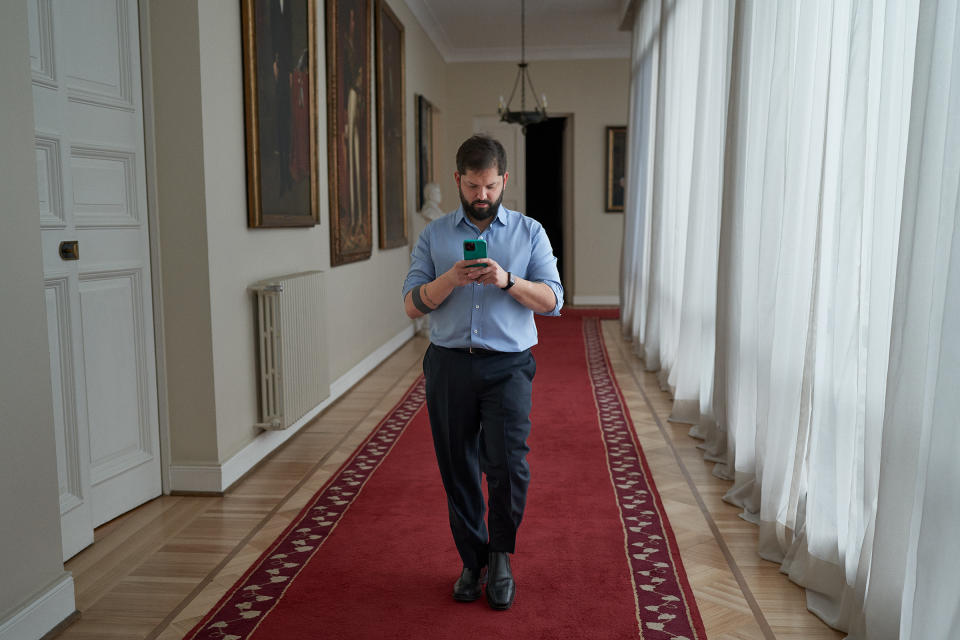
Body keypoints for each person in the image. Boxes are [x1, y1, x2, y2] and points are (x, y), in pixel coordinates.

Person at [401, 134, 564, 611]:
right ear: (458, 180)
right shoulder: (434, 236)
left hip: (508, 365)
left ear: (504, 181)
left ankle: (500, 556)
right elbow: (411, 306)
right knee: (458, 467)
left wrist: (507, 280)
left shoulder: (530, 232)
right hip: (449, 364)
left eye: (490, 186)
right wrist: (451, 278)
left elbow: (555, 301)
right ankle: (471, 561)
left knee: (508, 466)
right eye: (473, 186)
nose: (482, 196)